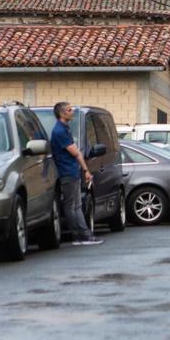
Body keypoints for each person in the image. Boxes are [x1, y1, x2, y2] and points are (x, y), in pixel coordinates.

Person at [50, 102, 103, 246]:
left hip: (71, 172)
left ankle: (83, 235)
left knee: (76, 205)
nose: (72, 111)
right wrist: (86, 170)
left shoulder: (63, 129)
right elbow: (76, 153)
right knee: (72, 206)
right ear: (62, 114)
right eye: (69, 110)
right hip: (68, 172)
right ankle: (80, 236)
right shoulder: (59, 131)